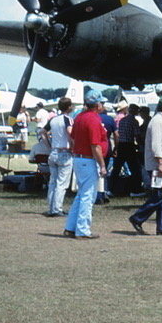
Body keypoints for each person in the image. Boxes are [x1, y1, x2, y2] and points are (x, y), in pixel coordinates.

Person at [129, 94, 162, 236]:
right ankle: (138, 217)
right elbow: (156, 144)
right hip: (161, 164)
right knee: (160, 195)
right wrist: (161, 163)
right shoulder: (158, 121)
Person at [63, 90, 108, 240]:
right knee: (88, 196)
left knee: (82, 195)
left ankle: (71, 227)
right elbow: (95, 145)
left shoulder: (80, 117)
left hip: (79, 158)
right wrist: (102, 165)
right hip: (88, 160)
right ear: (98, 105)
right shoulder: (93, 120)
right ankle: (82, 230)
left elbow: (73, 137)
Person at [44, 97, 74, 218]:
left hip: (54, 152)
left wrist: (49, 146)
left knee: (53, 182)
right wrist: (72, 147)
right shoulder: (68, 119)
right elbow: (70, 133)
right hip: (64, 152)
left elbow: (42, 132)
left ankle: (51, 207)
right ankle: (57, 208)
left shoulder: (53, 119)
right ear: (69, 107)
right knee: (62, 183)